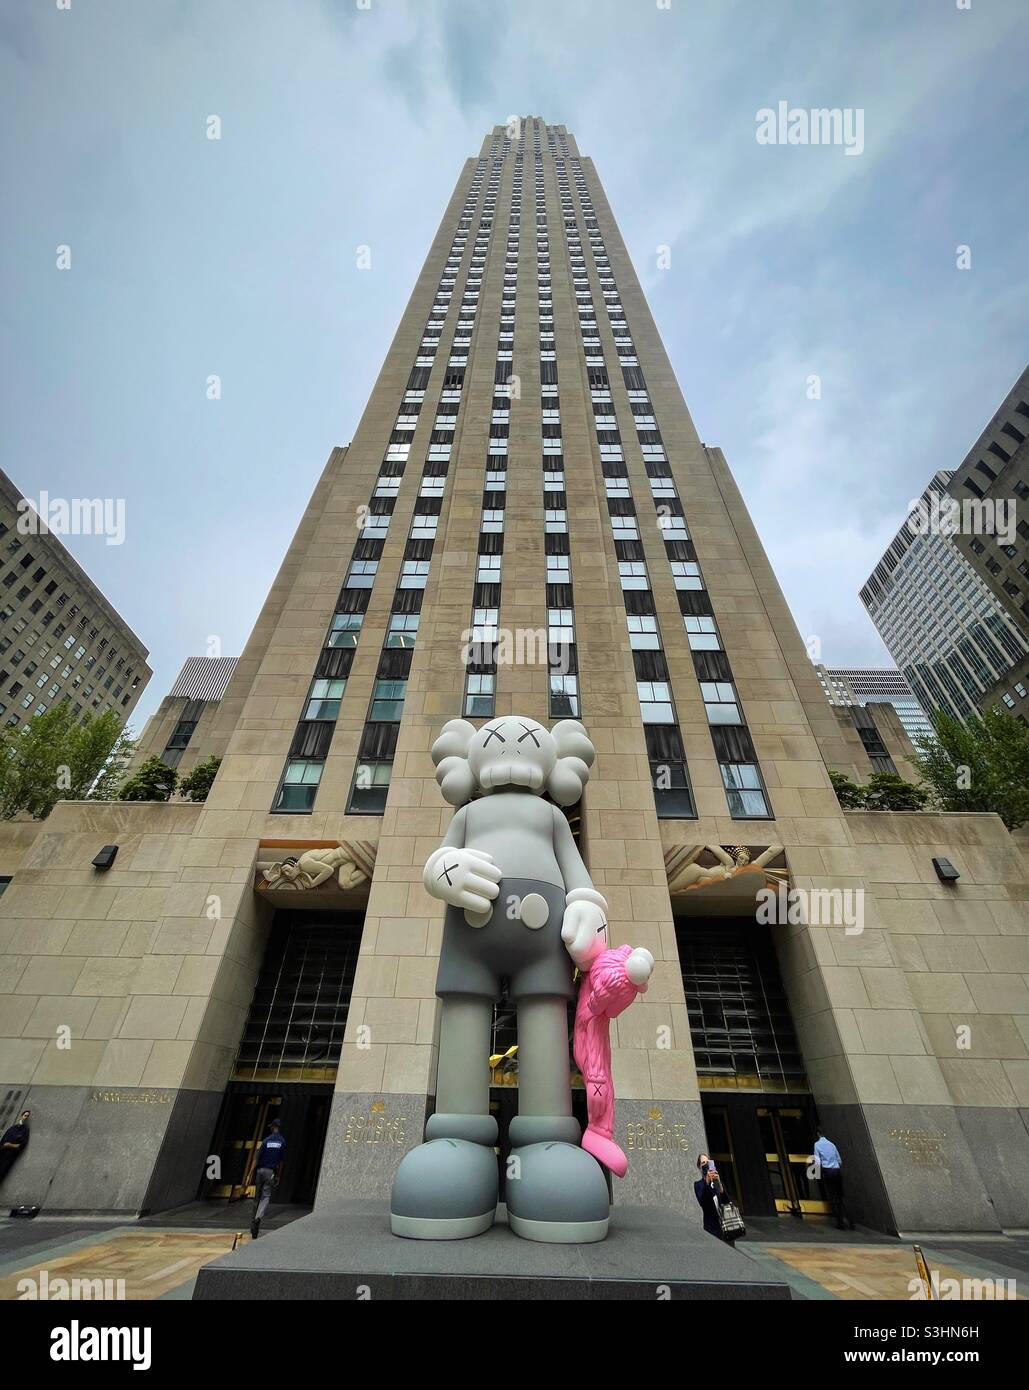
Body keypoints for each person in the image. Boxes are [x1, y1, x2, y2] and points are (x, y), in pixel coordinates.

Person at [248, 1118, 285, 1240]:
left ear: (272, 1127)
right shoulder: (282, 1142)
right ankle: (259, 1216)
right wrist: (278, 1176)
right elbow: (280, 1162)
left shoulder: (266, 1141)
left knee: (256, 1198)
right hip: (270, 1172)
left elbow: (256, 1158)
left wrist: (250, 1173)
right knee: (265, 1196)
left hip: (260, 1171)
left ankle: (253, 1222)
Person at [814, 1127, 855, 1231]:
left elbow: (817, 1161)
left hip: (828, 1171)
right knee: (841, 1196)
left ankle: (840, 1223)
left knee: (833, 1197)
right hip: (836, 1170)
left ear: (818, 1134)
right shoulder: (832, 1144)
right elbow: (839, 1160)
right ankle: (851, 1221)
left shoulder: (817, 1145)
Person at [694, 1152, 736, 1246]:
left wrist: (720, 1186)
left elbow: (727, 1201)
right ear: (699, 1167)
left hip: (726, 1225)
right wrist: (707, 1183)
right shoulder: (698, 1185)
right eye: (703, 1163)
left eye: (707, 1162)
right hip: (711, 1227)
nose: (706, 1165)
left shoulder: (717, 1181)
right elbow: (703, 1203)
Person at [0, 1110, 31, 1187]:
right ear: (21, 1116)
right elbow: (2, 1141)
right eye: (25, 1115)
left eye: (27, 1116)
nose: (26, 1117)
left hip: (9, 1156)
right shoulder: (12, 1128)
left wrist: (10, 1145)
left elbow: (21, 1145)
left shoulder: (25, 1130)